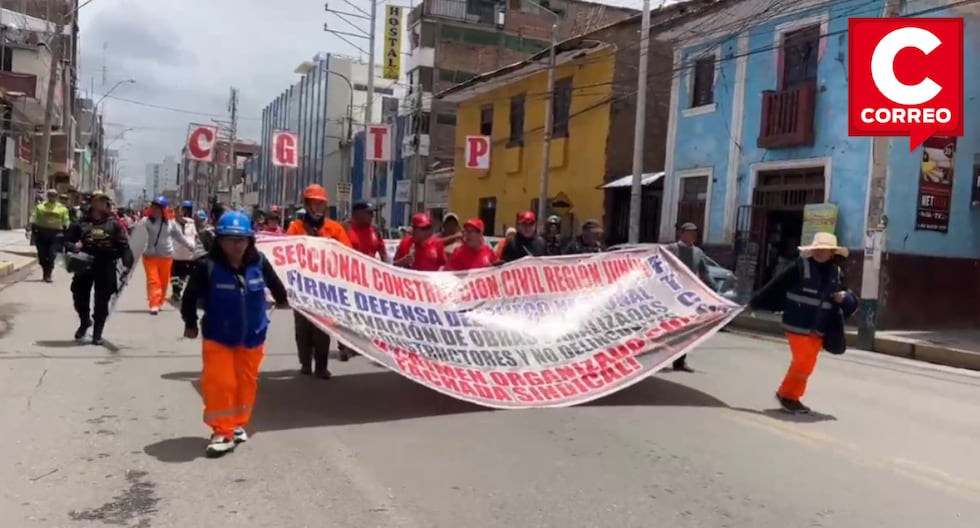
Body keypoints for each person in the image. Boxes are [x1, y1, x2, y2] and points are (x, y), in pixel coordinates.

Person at [179, 211, 289, 457]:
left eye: (241, 239)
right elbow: (189, 298)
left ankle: (238, 423)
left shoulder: (259, 262)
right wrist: (190, 323)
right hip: (218, 337)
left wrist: (282, 300)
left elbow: (276, 285)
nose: (236, 244)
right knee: (221, 383)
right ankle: (221, 431)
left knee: (245, 382)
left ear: (250, 240)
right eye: (230, 239)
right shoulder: (207, 266)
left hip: (253, 336)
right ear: (219, 240)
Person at [749, 232, 857, 414]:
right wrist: (755, 302)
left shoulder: (836, 273)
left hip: (819, 327)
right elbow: (776, 286)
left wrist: (843, 298)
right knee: (802, 359)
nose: (820, 252)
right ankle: (786, 395)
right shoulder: (799, 267)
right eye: (817, 249)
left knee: (807, 364)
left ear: (832, 253)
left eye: (824, 250)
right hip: (797, 324)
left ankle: (792, 397)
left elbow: (847, 297)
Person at [286, 184, 352, 379]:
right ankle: (305, 363)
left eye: (321, 204)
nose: (317, 207)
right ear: (306, 205)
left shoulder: (335, 228)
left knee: (323, 328)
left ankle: (321, 366)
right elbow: (288, 251)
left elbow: (347, 253)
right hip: (302, 286)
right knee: (303, 328)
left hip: (325, 288)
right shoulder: (296, 227)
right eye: (314, 203)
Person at [65, 191, 134, 345]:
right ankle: (84, 321)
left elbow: (124, 247)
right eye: (99, 201)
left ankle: (97, 333)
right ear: (93, 203)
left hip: (105, 265)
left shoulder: (114, 225)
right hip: (84, 264)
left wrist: (127, 267)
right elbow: (65, 241)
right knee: (79, 296)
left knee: (101, 301)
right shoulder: (81, 223)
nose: (102, 204)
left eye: (104, 201)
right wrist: (74, 246)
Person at [663, 222, 717, 372]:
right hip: (671, 295)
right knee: (667, 329)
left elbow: (704, 273)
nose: (692, 236)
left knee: (685, 330)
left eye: (695, 233)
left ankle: (680, 361)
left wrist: (714, 289)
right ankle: (661, 358)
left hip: (689, 297)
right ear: (681, 234)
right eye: (689, 233)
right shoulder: (671, 249)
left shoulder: (698, 252)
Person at [138, 196, 195, 314]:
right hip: (150, 256)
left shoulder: (170, 223)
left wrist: (190, 246)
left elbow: (179, 237)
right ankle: (153, 304)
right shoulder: (145, 222)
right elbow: (138, 237)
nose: (154, 210)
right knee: (153, 280)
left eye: (158, 208)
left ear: (163, 209)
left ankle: (159, 301)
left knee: (163, 282)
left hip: (166, 256)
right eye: (153, 207)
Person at [31, 189, 70, 282]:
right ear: (47, 196)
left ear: (56, 197)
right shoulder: (40, 207)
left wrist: (66, 225)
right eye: (50, 195)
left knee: (52, 254)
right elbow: (34, 218)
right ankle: (45, 270)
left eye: (54, 195)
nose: (52, 197)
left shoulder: (62, 208)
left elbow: (66, 219)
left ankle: (48, 274)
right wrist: (33, 226)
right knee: (42, 255)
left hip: (55, 234)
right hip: (42, 233)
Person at [170, 201, 198, 302]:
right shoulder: (171, 224)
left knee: (182, 275)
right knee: (175, 275)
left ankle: (178, 290)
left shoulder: (191, 223)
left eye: (181, 212)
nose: (179, 214)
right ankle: (176, 291)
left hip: (187, 254)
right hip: (175, 254)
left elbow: (195, 236)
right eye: (177, 213)